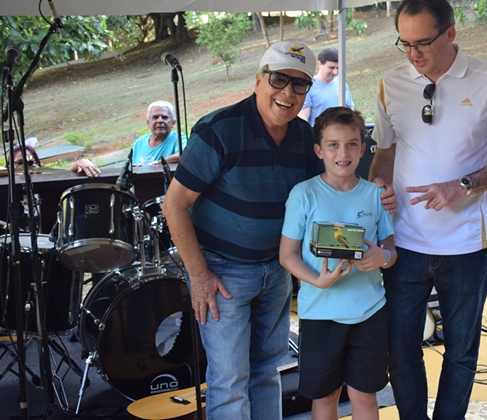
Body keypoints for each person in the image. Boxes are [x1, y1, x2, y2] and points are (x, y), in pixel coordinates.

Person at [162, 41, 395, 419]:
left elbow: (333, 189)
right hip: (223, 272)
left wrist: (377, 194)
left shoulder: (304, 137)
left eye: (300, 83)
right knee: (230, 379)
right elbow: (173, 204)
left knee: (268, 370)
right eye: (279, 80)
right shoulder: (218, 129)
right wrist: (199, 275)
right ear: (259, 79)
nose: (288, 91)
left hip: (277, 270)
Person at [368, 0, 487, 420]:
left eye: (423, 42)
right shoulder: (391, 85)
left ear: (450, 33)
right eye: (405, 43)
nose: (414, 53)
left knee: (461, 351)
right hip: (403, 242)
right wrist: (376, 187)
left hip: (467, 244)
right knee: (400, 347)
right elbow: (385, 154)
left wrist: (461, 185)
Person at [279, 107, 395, 420]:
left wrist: (382, 257)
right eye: (333, 145)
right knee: (325, 396)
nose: (343, 153)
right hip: (320, 313)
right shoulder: (303, 195)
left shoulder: (375, 195)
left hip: (369, 312)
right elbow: (287, 254)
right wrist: (317, 280)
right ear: (319, 150)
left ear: (363, 148)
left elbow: (390, 249)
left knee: (364, 395)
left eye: (351, 144)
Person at [0, 142, 101, 179]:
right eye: (20, 163)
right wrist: (16, 173)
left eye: (31, 162)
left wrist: (83, 161)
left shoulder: (45, 179)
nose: (27, 167)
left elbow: (67, 171)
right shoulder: (6, 181)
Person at [298, 47, 354, 126]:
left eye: (337, 68)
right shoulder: (309, 86)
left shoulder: (341, 82)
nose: (335, 72)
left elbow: (350, 110)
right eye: (331, 68)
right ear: (320, 64)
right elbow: (303, 119)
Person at [131, 100, 187, 165]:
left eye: (164, 117)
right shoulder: (139, 143)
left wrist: (155, 164)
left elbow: (184, 154)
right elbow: (131, 166)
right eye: (155, 117)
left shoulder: (179, 138)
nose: (160, 120)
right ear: (148, 123)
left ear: (173, 122)